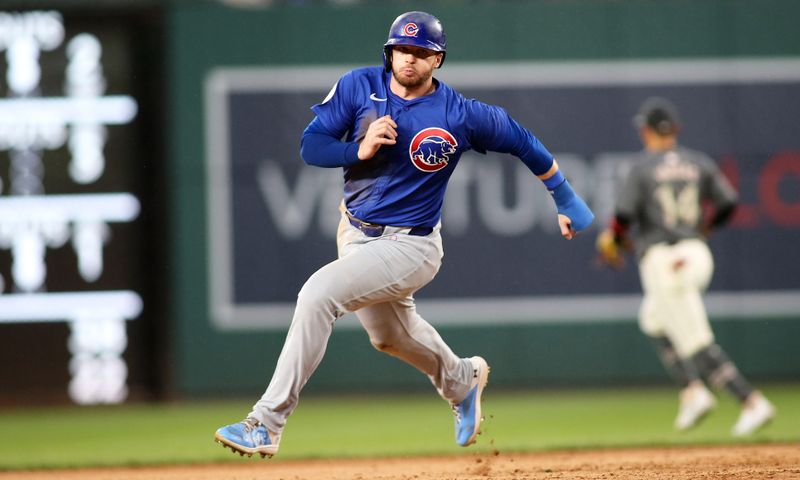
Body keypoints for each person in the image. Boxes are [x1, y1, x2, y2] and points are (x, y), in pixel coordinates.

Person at [214, 11, 594, 458]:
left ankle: (266, 422)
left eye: (420, 52)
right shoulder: (358, 87)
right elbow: (311, 145)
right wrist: (358, 147)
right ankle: (461, 380)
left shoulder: (459, 113)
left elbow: (522, 140)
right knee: (388, 337)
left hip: (412, 244)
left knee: (318, 294)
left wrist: (564, 197)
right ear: (389, 51)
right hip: (355, 232)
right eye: (401, 49)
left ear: (438, 60)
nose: (408, 59)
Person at [596, 97, 775, 436]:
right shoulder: (698, 162)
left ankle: (751, 401)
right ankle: (693, 391)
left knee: (695, 339)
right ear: (675, 130)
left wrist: (614, 240)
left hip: (666, 260)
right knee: (653, 319)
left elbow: (623, 216)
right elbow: (729, 202)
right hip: (695, 253)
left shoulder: (642, 166)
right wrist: (704, 229)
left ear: (646, 131)